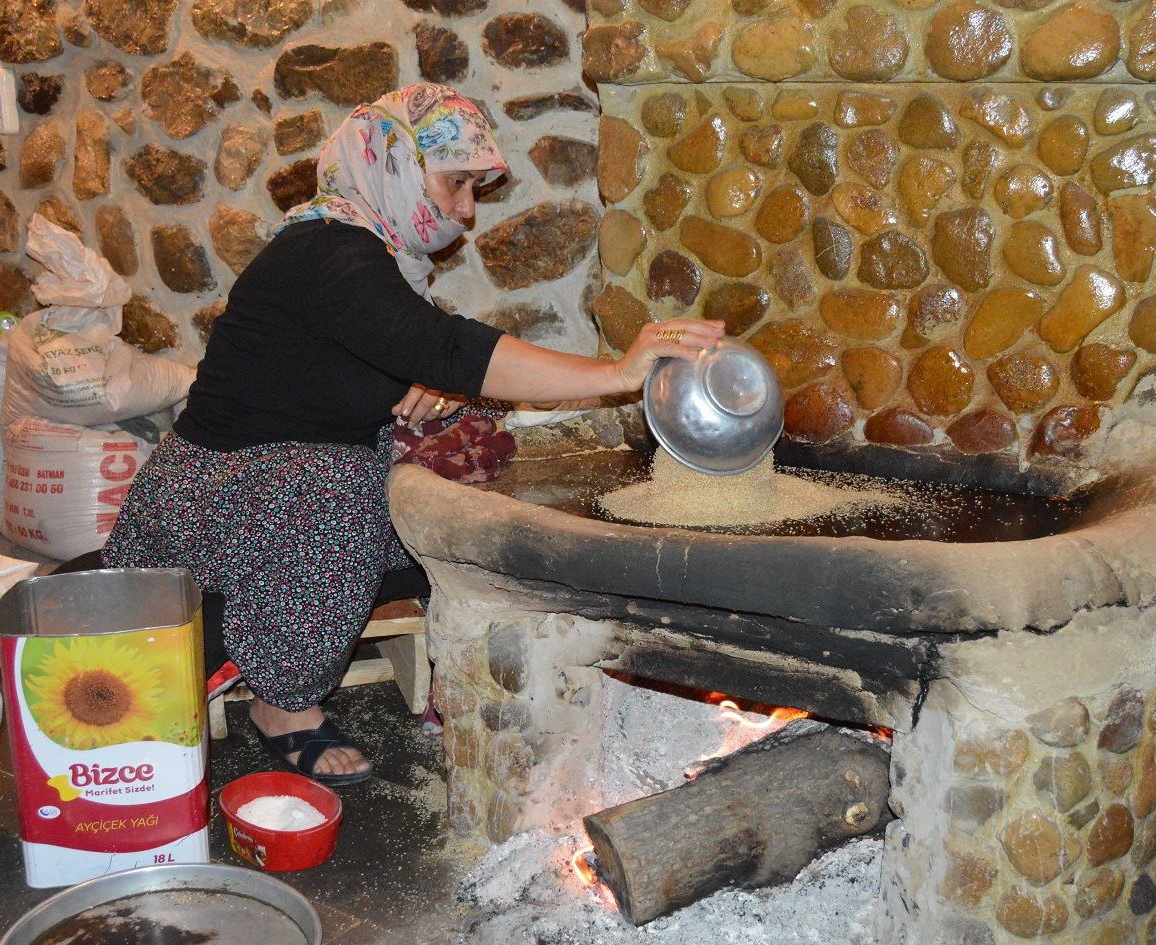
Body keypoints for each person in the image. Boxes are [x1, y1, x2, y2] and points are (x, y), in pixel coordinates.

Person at [101, 84, 722, 786]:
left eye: (474, 189)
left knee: (449, 451)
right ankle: (282, 703)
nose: (467, 210)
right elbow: (444, 346)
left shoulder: (366, 254)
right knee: (343, 490)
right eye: (457, 183)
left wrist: (422, 387)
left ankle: (393, 632)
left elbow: (380, 356)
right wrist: (615, 373)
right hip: (210, 501)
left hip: (269, 486)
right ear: (390, 165)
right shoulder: (328, 254)